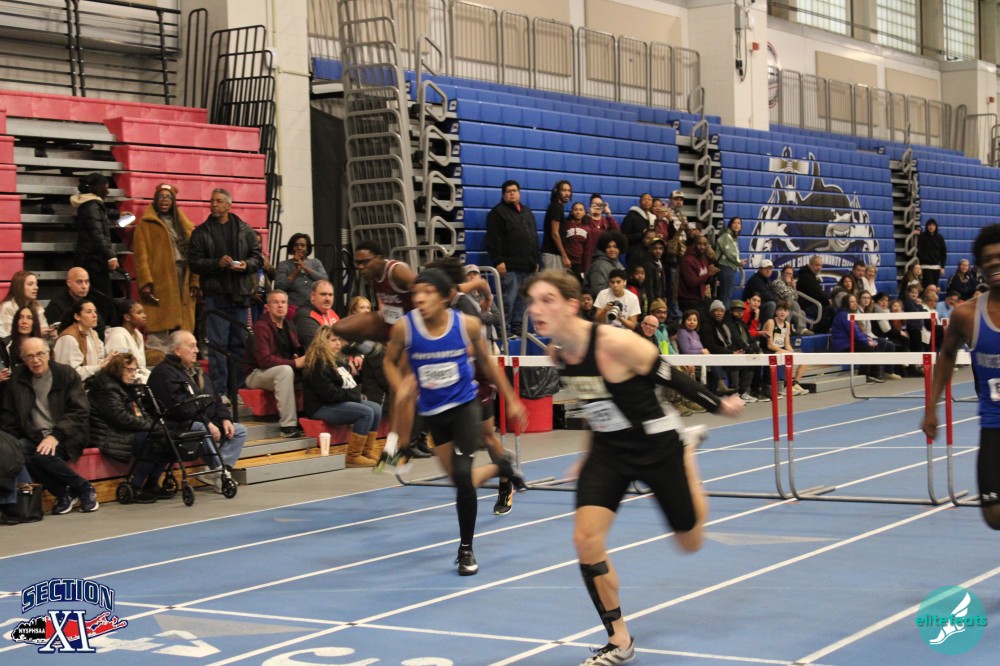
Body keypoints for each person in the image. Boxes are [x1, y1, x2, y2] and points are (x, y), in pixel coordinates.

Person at [523, 270, 743, 665]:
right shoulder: (558, 353)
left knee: (690, 542)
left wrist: (718, 405)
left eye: (546, 300)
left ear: (572, 305)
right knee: (585, 540)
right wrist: (586, 454)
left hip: (657, 445)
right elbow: (594, 403)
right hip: (609, 451)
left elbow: (671, 375)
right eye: (532, 302)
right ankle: (619, 640)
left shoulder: (615, 343)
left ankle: (688, 452)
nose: (536, 309)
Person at [383, 268, 527, 575]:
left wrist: (512, 399)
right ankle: (502, 467)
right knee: (458, 481)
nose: (419, 299)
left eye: (427, 293)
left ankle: (465, 550)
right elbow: (388, 360)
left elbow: (487, 363)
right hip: (433, 413)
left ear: (445, 297)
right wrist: (400, 386)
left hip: (464, 407)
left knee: (462, 477)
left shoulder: (466, 324)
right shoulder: (405, 328)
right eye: (416, 293)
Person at [924, 223, 1000, 530]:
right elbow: (946, 355)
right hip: (994, 424)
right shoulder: (966, 315)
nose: (995, 263)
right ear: (980, 267)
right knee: (994, 515)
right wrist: (931, 408)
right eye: (988, 259)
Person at [1, 337, 98, 514]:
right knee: (18, 452)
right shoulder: (17, 378)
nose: (35, 360)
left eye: (40, 354)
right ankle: (63, 493)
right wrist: (12, 442)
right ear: (23, 359)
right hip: (34, 436)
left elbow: (80, 411)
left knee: (42, 456)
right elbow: (9, 414)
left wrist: (55, 436)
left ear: (49, 354)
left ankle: (84, 488)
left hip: (67, 434)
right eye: (29, 356)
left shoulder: (65, 374)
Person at [147, 330, 247, 491]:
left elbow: (216, 399)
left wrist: (225, 418)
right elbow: (181, 408)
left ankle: (215, 472)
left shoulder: (198, 372)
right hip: (177, 423)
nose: (197, 350)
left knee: (239, 430)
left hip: (201, 419)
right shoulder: (164, 373)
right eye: (191, 346)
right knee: (202, 428)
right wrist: (208, 423)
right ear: (177, 350)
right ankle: (221, 474)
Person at [188, 188, 263, 396]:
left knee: (239, 343)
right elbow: (193, 262)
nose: (214, 204)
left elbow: (258, 258)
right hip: (216, 295)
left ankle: (238, 391)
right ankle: (220, 393)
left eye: (219, 201)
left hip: (240, 295)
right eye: (212, 201)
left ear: (229, 205)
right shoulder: (201, 232)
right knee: (218, 345)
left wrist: (246, 265)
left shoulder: (245, 230)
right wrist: (216, 263)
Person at [85, 353, 164, 503]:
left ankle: (152, 482)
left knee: (166, 437)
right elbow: (119, 418)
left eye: (134, 370)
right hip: (108, 434)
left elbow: (141, 412)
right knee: (151, 439)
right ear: (117, 369)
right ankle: (136, 486)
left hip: (126, 430)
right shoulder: (105, 387)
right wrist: (151, 426)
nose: (133, 374)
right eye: (129, 370)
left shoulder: (128, 386)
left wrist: (155, 426)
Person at [302, 326, 382, 467]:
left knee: (376, 408)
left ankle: (365, 451)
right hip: (321, 406)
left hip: (337, 401)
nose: (338, 343)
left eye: (339, 340)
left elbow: (348, 385)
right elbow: (329, 395)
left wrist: (355, 394)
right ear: (323, 342)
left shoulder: (338, 360)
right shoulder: (318, 362)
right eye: (334, 340)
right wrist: (354, 396)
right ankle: (353, 456)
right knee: (366, 412)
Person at [132, 183, 198, 351]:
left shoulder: (183, 225)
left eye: (168, 197)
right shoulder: (146, 224)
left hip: (183, 275)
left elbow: (194, 254)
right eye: (161, 197)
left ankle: (181, 354)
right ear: (155, 200)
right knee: (159, 320)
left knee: (183, 321)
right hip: (160, 278)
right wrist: (146, 282)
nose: (164, 200)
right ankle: (158, 357)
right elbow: (141, 256)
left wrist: (195, 281)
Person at [245, 290, 304, 438]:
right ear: (268, 306)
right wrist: (293, 362)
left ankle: (307, 416)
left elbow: (293, 350)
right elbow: (264, 360)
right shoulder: (261, 327)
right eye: (276, 302)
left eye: (283, 302)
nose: (280, 306)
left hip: (279, 370)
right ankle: (288, 426)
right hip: (256, 373)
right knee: (285, 371)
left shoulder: (289, 326)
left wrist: (297, 357)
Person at [485, 180, 538, 338]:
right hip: (509, 266)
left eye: (515, 190)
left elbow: (533, 237)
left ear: (519, 192)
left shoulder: (527, 212)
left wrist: (535, 260)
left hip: (527, 265)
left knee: (523, 300)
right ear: (504, 194)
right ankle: (504, 329)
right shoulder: (497, 213)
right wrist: (498, 260)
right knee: (508, 300)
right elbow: (493, 239)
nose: (512, 193)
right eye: (509, 191)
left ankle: (518, 327)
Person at [335, 240, 415, 343]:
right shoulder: (373, 275)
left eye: (365, 262)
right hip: (389, 320)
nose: (360, 267)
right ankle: (372, 349)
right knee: (339, 327)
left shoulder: (397, 270)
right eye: (358, 263)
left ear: (379, 259)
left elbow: (423, 292)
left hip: (409, 322)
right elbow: (382, 303)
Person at [71, 173, 118, 303]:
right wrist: (110, 256)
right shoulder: (92, 205)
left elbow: (97, 217)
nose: (108, 191)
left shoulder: (89, 204)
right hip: (93, 262)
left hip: (88, 259)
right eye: (106, 187)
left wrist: (117, 214)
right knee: (100, 299)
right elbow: (97, 234)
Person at [831, 293, 892, 383]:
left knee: (877, 342)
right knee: (868, 347)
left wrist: (867, 338)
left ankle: (875, 374)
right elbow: (854, 332)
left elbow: (858, 332)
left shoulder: (849, 314)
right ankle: (864, 375)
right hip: (843, 346)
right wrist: (867, 341)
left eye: (855, 301)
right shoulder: (844, 315)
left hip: (851, 343)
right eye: (852, 302)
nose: (854, 303)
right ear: (846, 303)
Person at [53, 300, 114, 380]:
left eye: (95, 311)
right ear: (77, 316)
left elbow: (98, 360)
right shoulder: (69, 338)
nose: (95, 315)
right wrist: (99, 366)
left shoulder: (92, 333)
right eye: (89, 312)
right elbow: (70, 374)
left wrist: (106, 361)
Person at [44, 267, 111, 338]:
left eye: (87, 282)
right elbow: (57, 332)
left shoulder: (91, 301)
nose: (84, 286)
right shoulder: (56, 304)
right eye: (79, 282)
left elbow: (100, 329)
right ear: (69, 283)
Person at [762, 303, 809, 395]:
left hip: (782, 350)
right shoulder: (771, 322)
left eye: (785, 310)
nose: (782, 312)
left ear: (788, 313)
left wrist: (792, 352)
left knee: (805, 358)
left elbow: (787, 344)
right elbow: (770, 345)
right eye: (780, 310)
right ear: (776, 312)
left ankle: (794, 383)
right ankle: (787, 386)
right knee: (788, 356)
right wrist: (786, 352)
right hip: (770, 350)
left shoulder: (787, 324)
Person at [275, 233, 329, 313]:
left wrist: (304, 267)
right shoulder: (284, 265)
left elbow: (324, 280)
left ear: (307, 248)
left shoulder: (315, 262)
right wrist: (296, 270)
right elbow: (280, 286)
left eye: (303, 245)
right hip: (293, 306)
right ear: (291, 248)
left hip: (315, 306)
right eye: (296, 245)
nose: (299, 248)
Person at [104, 299, 152, 383]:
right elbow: (120, 369)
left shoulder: (138, 334)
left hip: (139, 377)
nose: (144, 315)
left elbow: (141, 367)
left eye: (143, 312)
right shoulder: (117, 336)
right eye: (139, 313)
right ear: (127, 317)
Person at [0, 270, 52, 339]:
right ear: (19, 287)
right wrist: (37, 333)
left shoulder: (38, 308)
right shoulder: (7, 307)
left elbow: (44, 328)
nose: (36, 287)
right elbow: (7, 337)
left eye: (36, 284)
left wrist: (50, 335)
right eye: (30, 284)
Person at [294, 279, 340, 349]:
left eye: (330, 295)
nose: (327, 298)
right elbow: (317, 346)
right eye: (323, 294)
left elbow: (343, 338)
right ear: (313, 296)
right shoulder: (304, 315)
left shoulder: (332, 313)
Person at [582, 194, 618, 274]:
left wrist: (609, 215)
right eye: (594, 204)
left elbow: (617, 232)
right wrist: (590, 216)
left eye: (600, 204)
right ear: (590, 206)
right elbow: (584, 231)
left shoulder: (607, 220)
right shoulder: (585, 219)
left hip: (605, 257)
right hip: (589, 257)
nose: (597, 206)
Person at [541, 180, 573, 270]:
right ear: (557, 191)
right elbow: (554, 233)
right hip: (552, 255)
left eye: (569, 190)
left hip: (554, 254)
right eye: (564, 190)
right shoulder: (556, 208)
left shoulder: (558, 207)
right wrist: (564, 256)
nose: (567, 193)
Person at [585, 229, 626, 297]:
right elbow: (597, 291)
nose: (612, 249)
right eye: (608, 247)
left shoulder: (619, 265)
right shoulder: (598, 265)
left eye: (615, 247)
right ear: (604, 249)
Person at [715, 217, 745, 308]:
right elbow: (730, 253)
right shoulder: (726, 236)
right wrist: (739, 262)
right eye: (734, 223)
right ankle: (725, 314)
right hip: (725, 268)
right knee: (726, 296)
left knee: (725, 295)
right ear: (730, 224)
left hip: (728, 268)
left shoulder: (732, 237)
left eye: (739, 223)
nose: (737, 225)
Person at [917, 219, 947, 289]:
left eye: (933, 225)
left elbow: (943, 252)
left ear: (936, 227)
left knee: (934, 286)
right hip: (925, 266)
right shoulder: (922, 236)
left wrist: (942, 266)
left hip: (936, 266)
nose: (931, 227)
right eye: (929, 225)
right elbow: (919, 250)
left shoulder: (940, 237)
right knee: (928, 286)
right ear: (927, 226)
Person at [562, 202, 590, 277]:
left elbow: (587, 250)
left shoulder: (587, 228)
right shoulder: (566, 225)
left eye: (581, 210)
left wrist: (586, 268)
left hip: (579, 263)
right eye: (575, 209)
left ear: (584, 212)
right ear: (572, 212)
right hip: (566, 262)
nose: (578, 212)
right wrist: (564, 257)